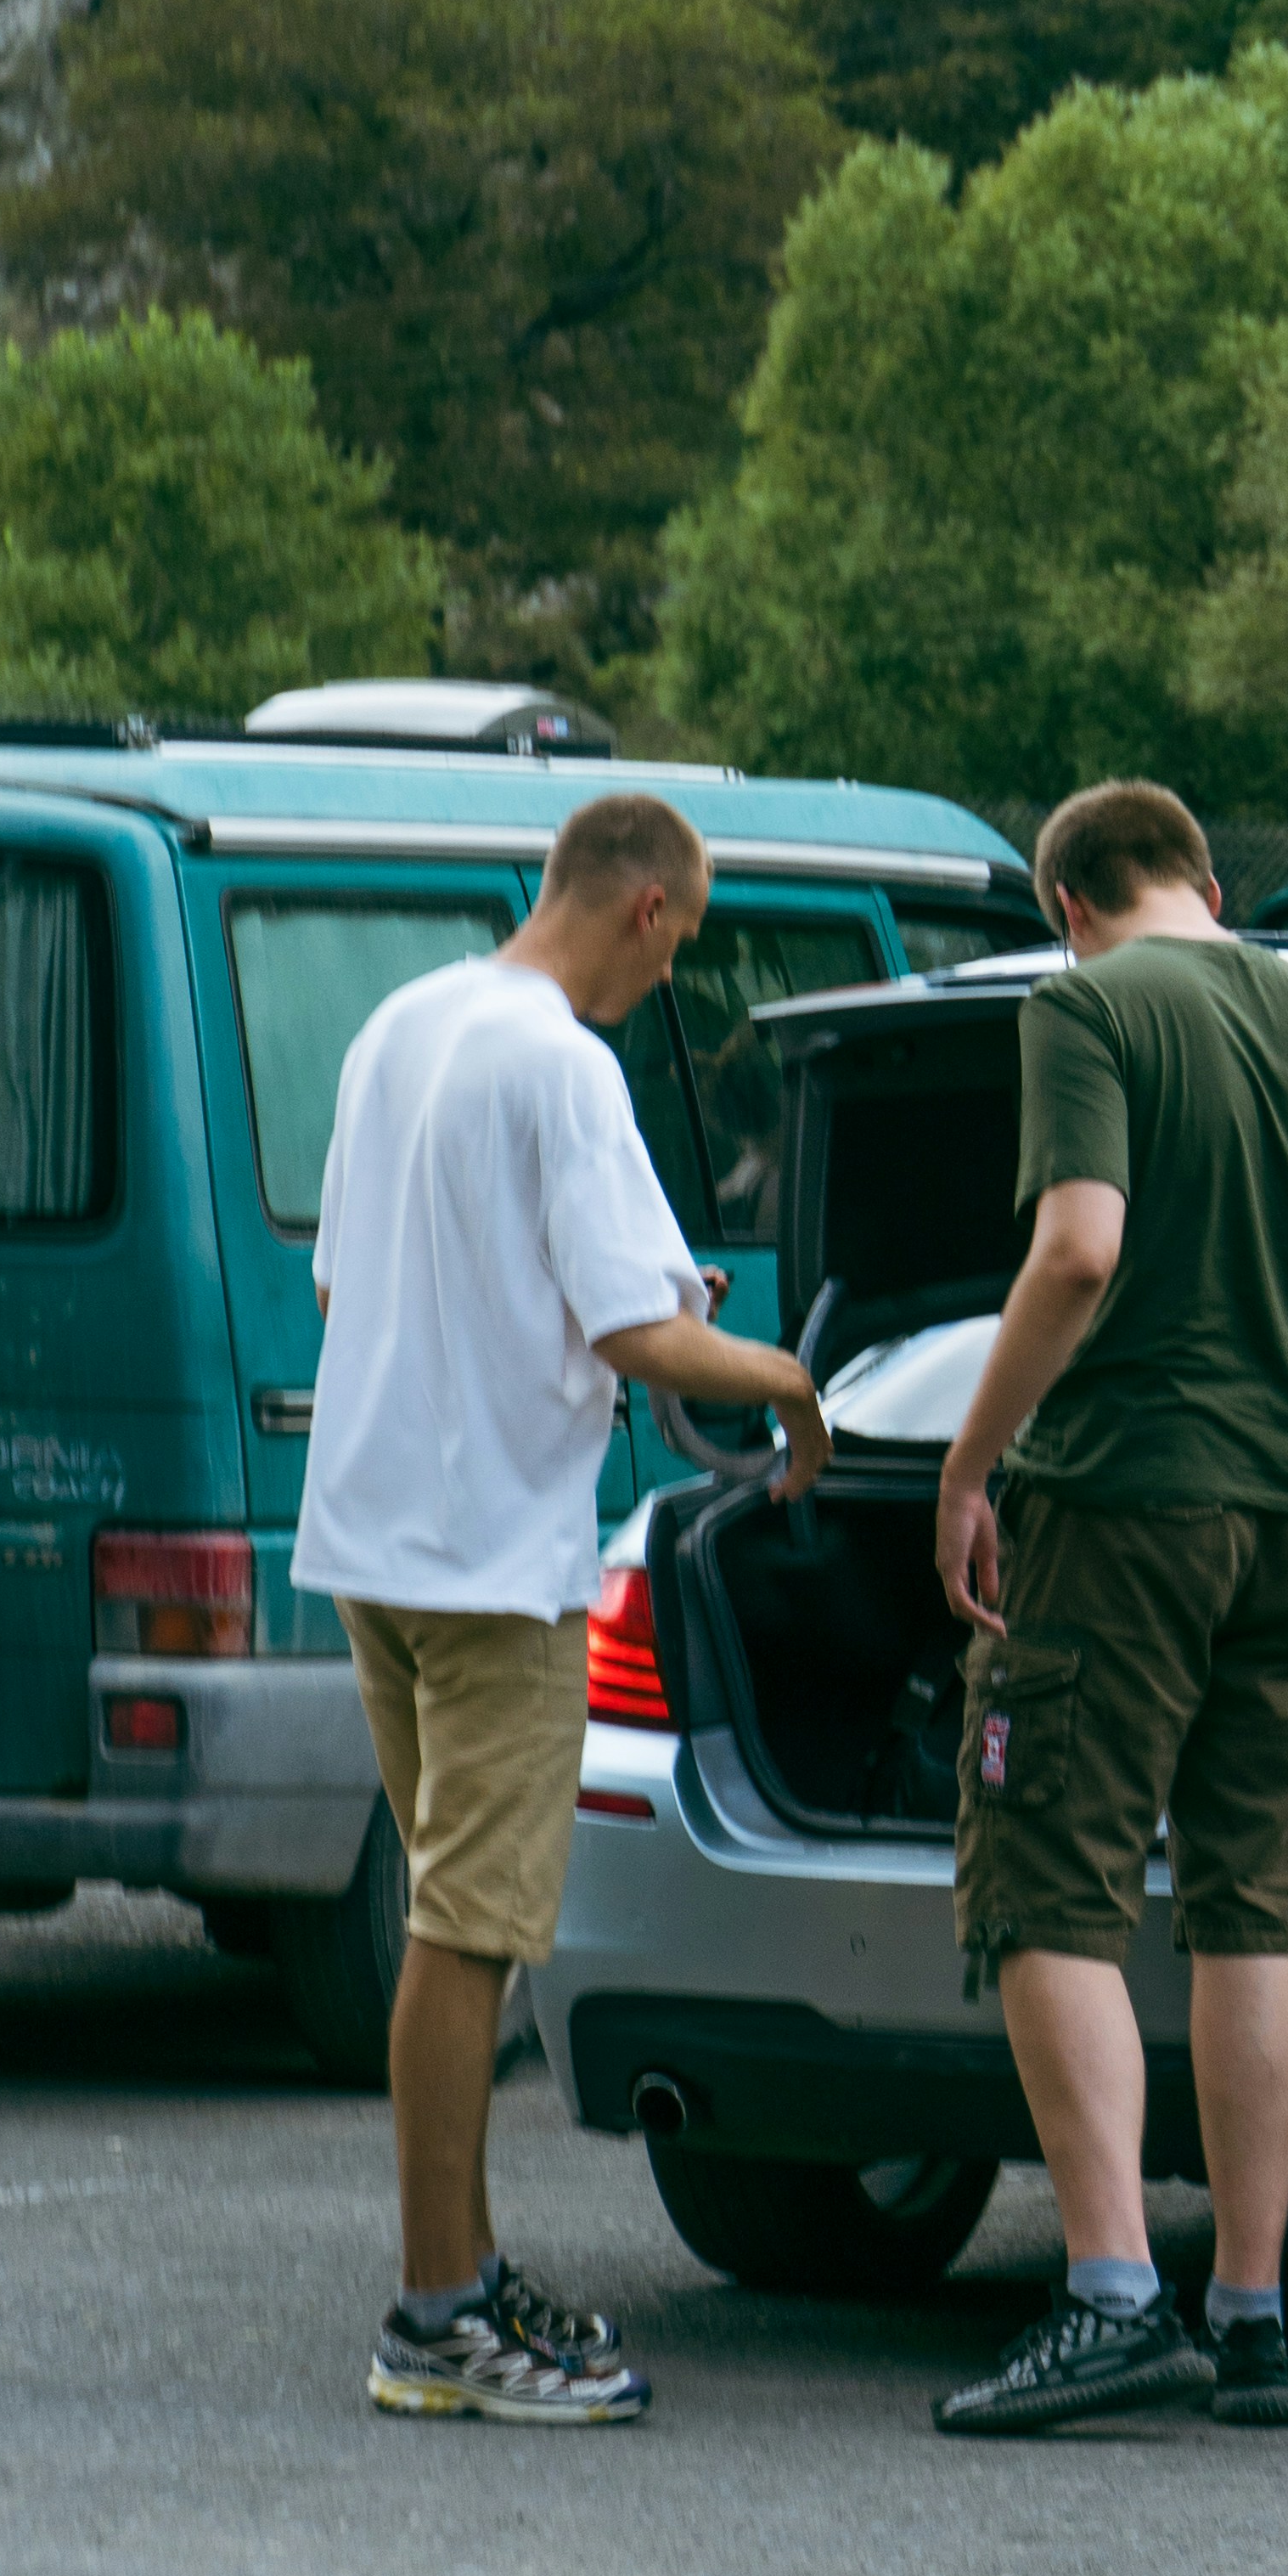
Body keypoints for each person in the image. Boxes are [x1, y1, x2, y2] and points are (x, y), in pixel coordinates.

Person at [930, 779, 1288, 2438]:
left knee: (1048, 1886)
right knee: (1258, 1905)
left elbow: (1078, 1254)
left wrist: (972, 1467)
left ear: (1068, 902)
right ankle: (1249, 2317)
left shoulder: (1085, 1005)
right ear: (1202, 878)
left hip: (1118, 1511)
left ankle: (1111, 2294)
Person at [295, 789, 832, 2427]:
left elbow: (353, 1275)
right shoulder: (568, 1063)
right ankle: (437, 2317)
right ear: (651, 911)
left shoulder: (406, 1022)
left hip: (371, 1543)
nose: (669, 981)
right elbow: (648, 1344)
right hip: (492, 1562)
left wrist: (635, 1306)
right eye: (685, 945)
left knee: (443, 1928)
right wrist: (799, 1386)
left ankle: (460, 2272)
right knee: (470, 1932)